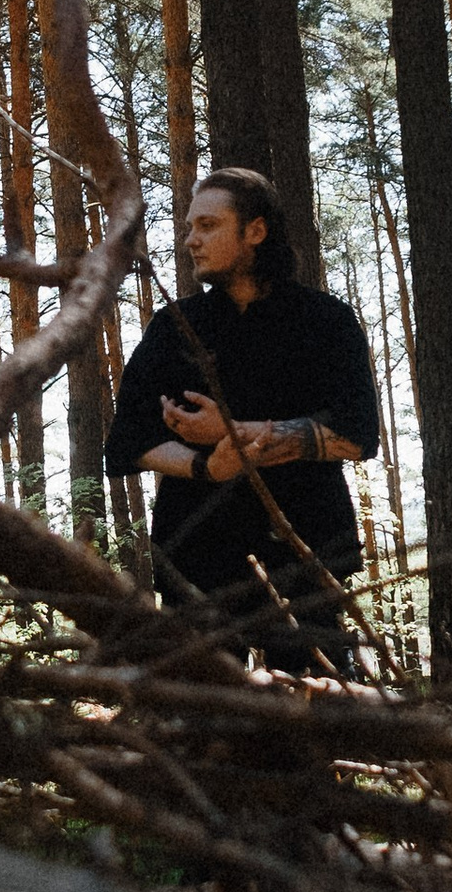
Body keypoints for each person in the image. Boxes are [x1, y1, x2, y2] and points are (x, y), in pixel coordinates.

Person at [104, 168, 381, 668]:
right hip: (196, 556)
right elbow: (128, 440)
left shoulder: (326, 322)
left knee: (313, 704)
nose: (190, 241)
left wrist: (234, 434)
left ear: (255, 231)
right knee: (203, 706)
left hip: (306, 551)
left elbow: (358, 435)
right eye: (189, 227)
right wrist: (207, 466)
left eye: (208, 226)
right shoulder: (174, 328)